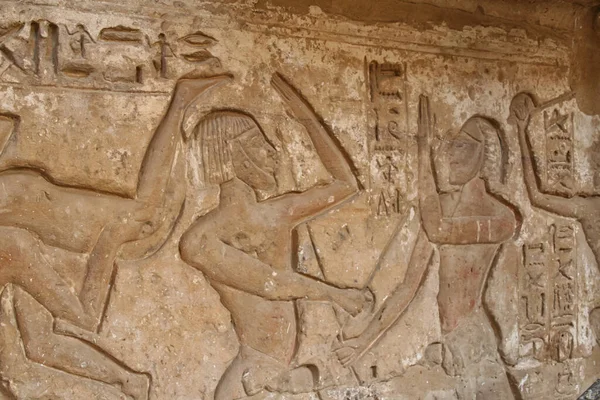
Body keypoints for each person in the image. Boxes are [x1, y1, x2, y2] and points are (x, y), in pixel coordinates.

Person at [0, 74, 231, 399]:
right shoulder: (12, 245)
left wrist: (109, 242)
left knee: (144, 213)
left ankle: (180, 100)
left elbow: (86, 318)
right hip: (32, 213)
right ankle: (130, 382)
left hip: (42, 211)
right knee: (40, 344)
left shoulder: (11, 246)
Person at [179, 72, 371, 399]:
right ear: (230, 155)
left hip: (277, 371)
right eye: (257, 144)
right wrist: (339, 295)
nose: (272, 151)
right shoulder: (200, 240)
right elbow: (272, 284)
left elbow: (346, 186)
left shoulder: (279, 211)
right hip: (252, 379)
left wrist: (307, 119)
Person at [338, 95, 519, 397]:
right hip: (452, 339)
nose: (450, 155)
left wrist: (423, 155)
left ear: (482, 154)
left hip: (472, 336)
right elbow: (408, 288)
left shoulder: (501, 217)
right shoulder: (443, 207)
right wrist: (365, 340)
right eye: (451, 147)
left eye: (461, 147)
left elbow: (438, 229)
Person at [511, 92, 600, 267]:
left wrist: (521, 131)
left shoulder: (590, 208)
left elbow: (537, 198)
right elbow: (537, 198)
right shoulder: (590, 208)